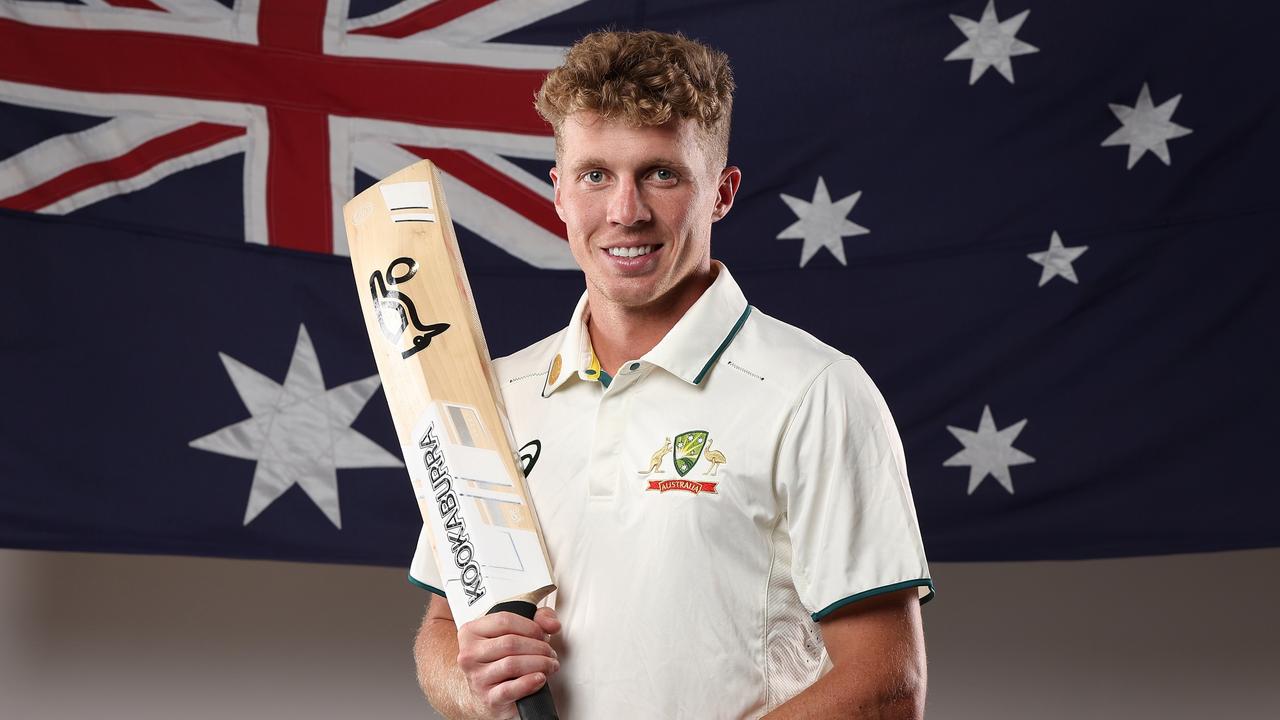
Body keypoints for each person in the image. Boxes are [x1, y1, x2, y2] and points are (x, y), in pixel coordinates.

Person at [409, 29, 933, 719]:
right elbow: (445, 630)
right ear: (559, 193)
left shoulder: (816, 393)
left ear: (721, 191)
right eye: (596, 175)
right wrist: (472, 682)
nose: (625, 211)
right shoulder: (496, 395)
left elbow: (885, 690)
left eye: (662, 173)